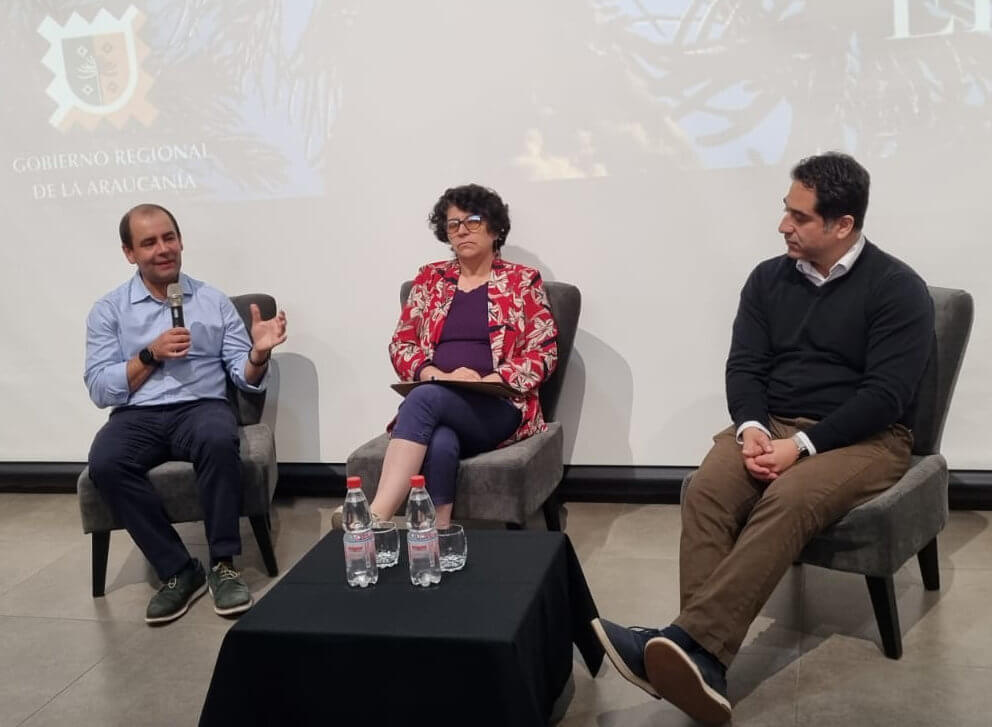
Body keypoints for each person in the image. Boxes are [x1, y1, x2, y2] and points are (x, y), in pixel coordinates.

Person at [591, 153, 934, 725]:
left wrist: (800, 448)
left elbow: (885, 398)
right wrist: (752, 429)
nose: (784, 226)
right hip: (770, 422)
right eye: (786, 211)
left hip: (867, 437)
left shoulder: (898, 289)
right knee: (705, 489)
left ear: (842, 224)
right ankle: (700, 661)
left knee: (788, 498)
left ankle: (691, 645)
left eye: (799, 217)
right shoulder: (767, 278)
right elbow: (744, 366)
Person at [84, 203, 288, 625]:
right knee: (105, 462)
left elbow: (244, 376)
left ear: (180, 242)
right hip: (137, 414)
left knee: (218, 438)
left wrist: (258, 354)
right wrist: (149, 354)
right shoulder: (109, 310)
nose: (162, 249)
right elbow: (100, 388)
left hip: (201, 407)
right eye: (149, 242)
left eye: (168, 238)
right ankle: (178, 568)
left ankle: (223, 564)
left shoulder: (211, 301)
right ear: (129, 253)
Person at [359, 183, 558, 530]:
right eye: (453, 225)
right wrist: (432, 372)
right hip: (442, 395)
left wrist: (493, 379)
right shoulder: (429, 279)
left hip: (498, 405)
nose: (462, 230)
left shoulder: (522, 281)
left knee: (423, 400)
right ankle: (438, 535)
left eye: (473, 221)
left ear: (495, 228)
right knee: (440, 439)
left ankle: (376, 515)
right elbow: (402, 344)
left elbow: (544, 350)